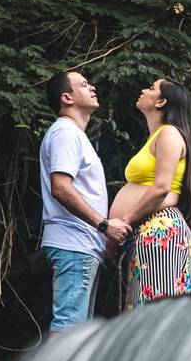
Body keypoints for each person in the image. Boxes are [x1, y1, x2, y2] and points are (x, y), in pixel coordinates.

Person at [39, 71, 131, 331]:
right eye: (83, 84)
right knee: (68, 329)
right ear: (67, 98)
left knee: (76, 332)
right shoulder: (65, 133)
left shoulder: (74, 135)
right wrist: (104, 226)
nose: (92, 87)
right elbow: (61, 188)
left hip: (82, 245)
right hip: (74, 244)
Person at [109, 78, 191, 309]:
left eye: (150, 88)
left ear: (161, 102)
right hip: (148, 232)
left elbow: (162, 188)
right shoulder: (157, 136)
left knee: (157, 312)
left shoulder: (169, 134)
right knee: (146, 311)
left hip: (160, 232)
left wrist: (124, 221)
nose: (143, 90)